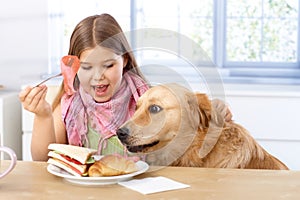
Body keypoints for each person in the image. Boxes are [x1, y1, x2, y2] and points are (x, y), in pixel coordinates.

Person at [19, 13, 232, 161]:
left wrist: (212, 108)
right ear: (74, 67)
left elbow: (189, 123)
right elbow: (42, 159)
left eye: (108, 65)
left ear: (126, 61)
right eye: (86, 67)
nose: (98, 76)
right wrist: (43, 116)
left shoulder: (148, 101)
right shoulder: (69, 106)